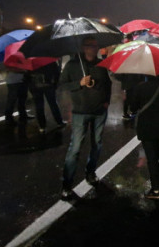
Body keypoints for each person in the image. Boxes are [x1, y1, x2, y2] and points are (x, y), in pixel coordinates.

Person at [58, 37, 112, 201]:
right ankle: (67, 184)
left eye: (95, 45)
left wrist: (106, 102)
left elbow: (108, 84)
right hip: (80, 112)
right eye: (90, 46)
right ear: (83, 47)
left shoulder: (101, 64)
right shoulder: (72, 65)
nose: (93, 48)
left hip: (99, 111)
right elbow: (62, 86)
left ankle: (91, 173)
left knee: (97, 144)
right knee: (75, 148)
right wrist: (79, 83)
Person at [130, 74, 159, 200]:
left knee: (152, 158)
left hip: (147, 125)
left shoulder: (140, 87)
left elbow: (133, 107)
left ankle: (156, 189)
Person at [28, 61, 66, 133]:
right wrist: (55, 84)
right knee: (53, 104)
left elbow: (27, 76)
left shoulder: (31, 61)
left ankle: (42, 126)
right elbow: (57, 72)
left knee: (39, 106)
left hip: (36, 87)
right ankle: (59, 122)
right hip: (48, 85)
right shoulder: (49, 60)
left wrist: (31, 87)